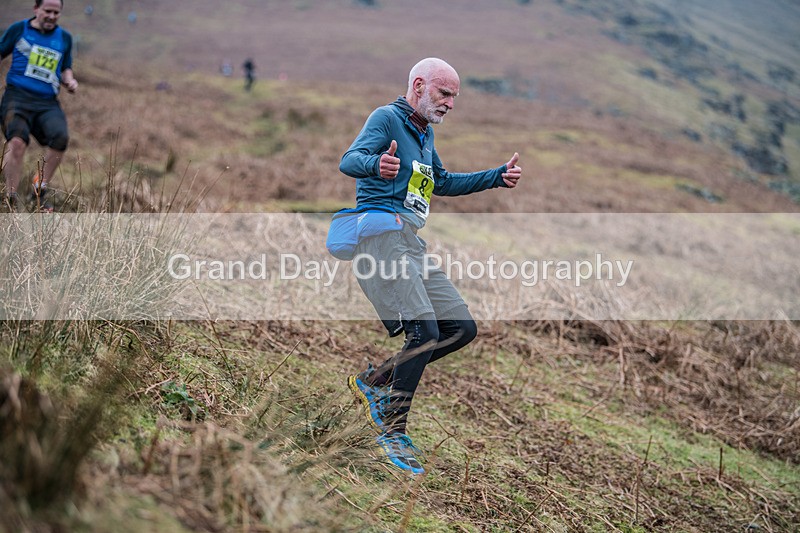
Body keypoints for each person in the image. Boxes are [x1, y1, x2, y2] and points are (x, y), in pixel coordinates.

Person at [339, 57, 522, 474]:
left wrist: (496, 176)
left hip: (410, 245)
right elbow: (349, 160)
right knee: (425, 330)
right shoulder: (386, 119)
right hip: (380, 239)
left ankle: (374, 382)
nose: (451, 104)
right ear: (419, 85)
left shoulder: (424, 135)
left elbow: (440, 182)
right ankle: (390, 429)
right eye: (444, 93)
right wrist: (375, 164)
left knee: (461, 328)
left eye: (455, 96)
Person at [1, 0, 78, 212]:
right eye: (47, 11)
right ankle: (11, 197)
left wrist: (69, 81)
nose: (52, 16)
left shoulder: (64, 38)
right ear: (36, 9)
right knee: (17, 143)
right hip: (17, 97)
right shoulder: (19, 29)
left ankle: (38, 188)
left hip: (47, 103)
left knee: (60, 138)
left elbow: (66, 68)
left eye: (56, 12)